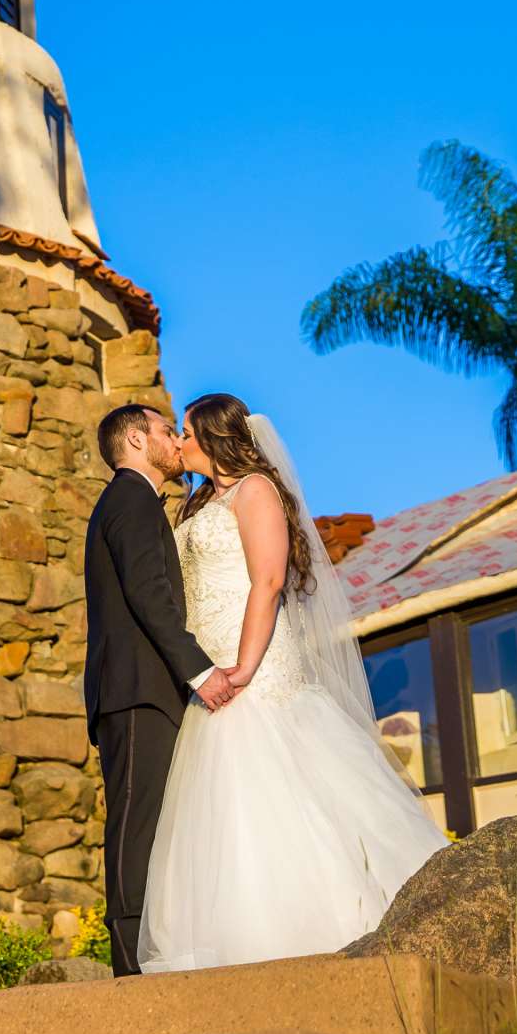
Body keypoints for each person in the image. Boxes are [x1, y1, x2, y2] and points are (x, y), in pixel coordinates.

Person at [138, 393, 446, 971]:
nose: (179, 442)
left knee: (275, 785)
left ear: (213, 436)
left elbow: (270, 579)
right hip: (210, 667)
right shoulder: (203, 502)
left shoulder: (256, 490)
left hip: (252, 663)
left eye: (186, 431)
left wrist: (247, 666)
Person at [82, 402, 236, 974]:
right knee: (134, 822)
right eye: (167, 431)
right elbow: (149, 594)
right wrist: (199, 671)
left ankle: (154, 949)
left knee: (155, 823)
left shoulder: (137, 503)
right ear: (136, 441)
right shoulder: (129, 499)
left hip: (146, 690)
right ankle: (130, 963)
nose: (177, 442)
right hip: (134, 691)